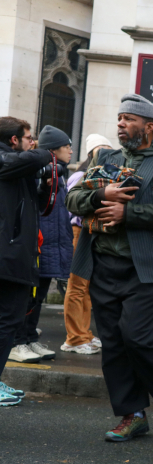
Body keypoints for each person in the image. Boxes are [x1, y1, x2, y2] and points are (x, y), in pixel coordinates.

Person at [66, 94, 153, 442]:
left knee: (135, 335)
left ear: (148, 127)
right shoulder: (105, 158)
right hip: (103, 262)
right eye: (119, 118)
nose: (120, 124)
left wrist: (130, 214)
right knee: (113, 342)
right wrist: (101, 195)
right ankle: (131, 414)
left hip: (148, 268)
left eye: (129, 119)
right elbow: (72, 199)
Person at [9, 125, 74, 363]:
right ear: (53, 151)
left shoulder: (60, 174)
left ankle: (28, 338)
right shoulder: (37, 171)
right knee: (27, 297)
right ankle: (17, 342)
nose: (71, 150)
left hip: (52, 244)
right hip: (39, 244)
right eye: (66, 146)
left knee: (39, 297)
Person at [0, 116, 53, 405]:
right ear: (14, 140)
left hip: (15, 258)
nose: (32, 143)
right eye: (28, 137)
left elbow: (36, 207)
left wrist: (45, 185)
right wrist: (47, 152)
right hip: (7, 258)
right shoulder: (5, 159)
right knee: (6, 322)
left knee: (8, 322)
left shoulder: (17, 166)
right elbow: (37, 155)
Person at [60, 134, 113, 355]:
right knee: (76, 286)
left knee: (85, 287)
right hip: (78, 231)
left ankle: (84, 334)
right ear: (92, 153)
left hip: (90, 232)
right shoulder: (81, 176)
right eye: (100, 150)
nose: (105, 154)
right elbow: (70, 205)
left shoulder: (101, 175)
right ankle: (74, 338)